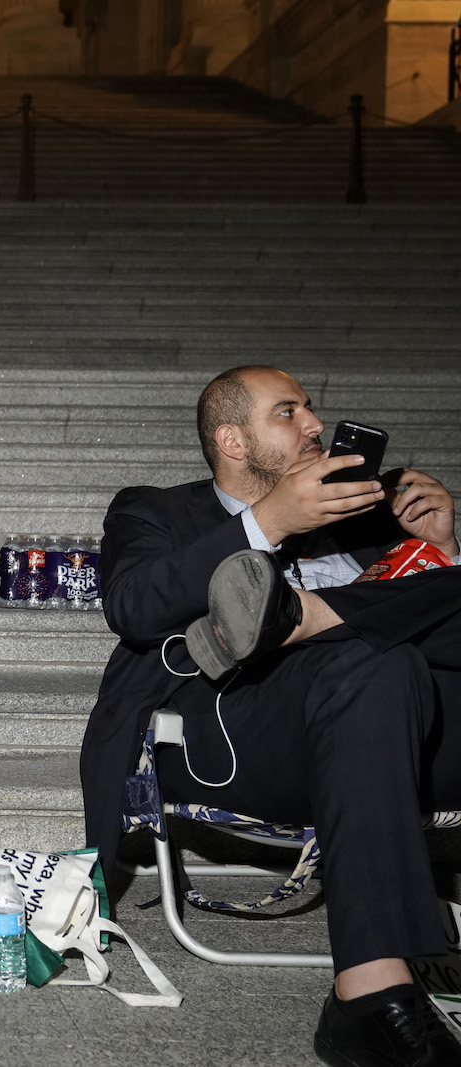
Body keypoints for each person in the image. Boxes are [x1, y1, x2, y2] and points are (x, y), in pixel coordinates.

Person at [82, 365, 461, 1067]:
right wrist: (267, 523)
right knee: (376, 662)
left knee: (392, 655)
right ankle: (372, 989)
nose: (315, 424)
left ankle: (309, 614)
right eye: (289, 412)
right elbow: (133, 606)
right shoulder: (154, 511)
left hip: (392, 734)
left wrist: (437, 553)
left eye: (312, 408)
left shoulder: (371, 517)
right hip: (239, 735)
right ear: (232, 438)